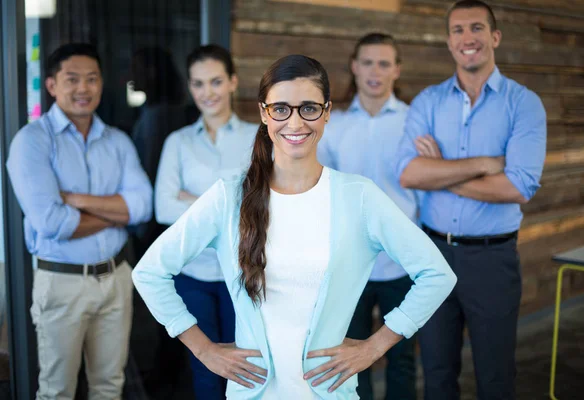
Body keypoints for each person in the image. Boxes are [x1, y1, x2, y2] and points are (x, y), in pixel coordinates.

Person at [132, 54, 456, 399]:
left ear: (327, 111)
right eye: (281, 109)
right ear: (263, 113)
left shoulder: (359, 196)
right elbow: (149, 273)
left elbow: (437, 275)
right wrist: (203, 349)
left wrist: (374, 347)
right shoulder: (229, 195)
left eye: (309, 108)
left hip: (330, 393)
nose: (295, 122)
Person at [397, 1, 547, 399]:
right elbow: (410, 173)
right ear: (449, 42)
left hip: (491, 262)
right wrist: (483, 165)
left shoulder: (523, 104)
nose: (468, 38)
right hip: (432, 258)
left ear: (494, 37)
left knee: (496, 378)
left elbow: (518, 187)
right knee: (437, 373)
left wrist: (440, 172)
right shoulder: (428, 102)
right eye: (459, 30)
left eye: (477, 28)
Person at [6, 43, 153, 400]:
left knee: (109, 385)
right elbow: (52, 222)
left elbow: (144, 207)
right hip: (62, 282)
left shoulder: (117, 141)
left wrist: (78, 201)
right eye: (72, 79)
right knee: (57, 390)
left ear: (102, 84)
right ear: (53, 85)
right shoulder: (32, 141)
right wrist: (117, 214)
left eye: (91, 79)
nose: (83, 88)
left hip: (116, 279)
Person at [153, 44, 258, 399]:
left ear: (232, 82)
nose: (207, 92)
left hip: (243, 274)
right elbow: (163, 208)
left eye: (215, 81)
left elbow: (262, 204)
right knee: (205, 373)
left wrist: (191, 200)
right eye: (198, 84)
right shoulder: (177, 143)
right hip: (193, 274)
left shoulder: (257, 138)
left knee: (246, 370)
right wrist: (229, 204)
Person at [318, 32, 418, 400]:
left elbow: (422, 190)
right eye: (367, 62)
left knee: (402, 357)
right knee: (348, 359)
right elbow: (320, 187)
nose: (375, 71)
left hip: (401, 263)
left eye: (384, 63)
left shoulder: (414, 121)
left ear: (396, 69)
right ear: (354, 67)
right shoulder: (335, 123)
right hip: (350, 263)